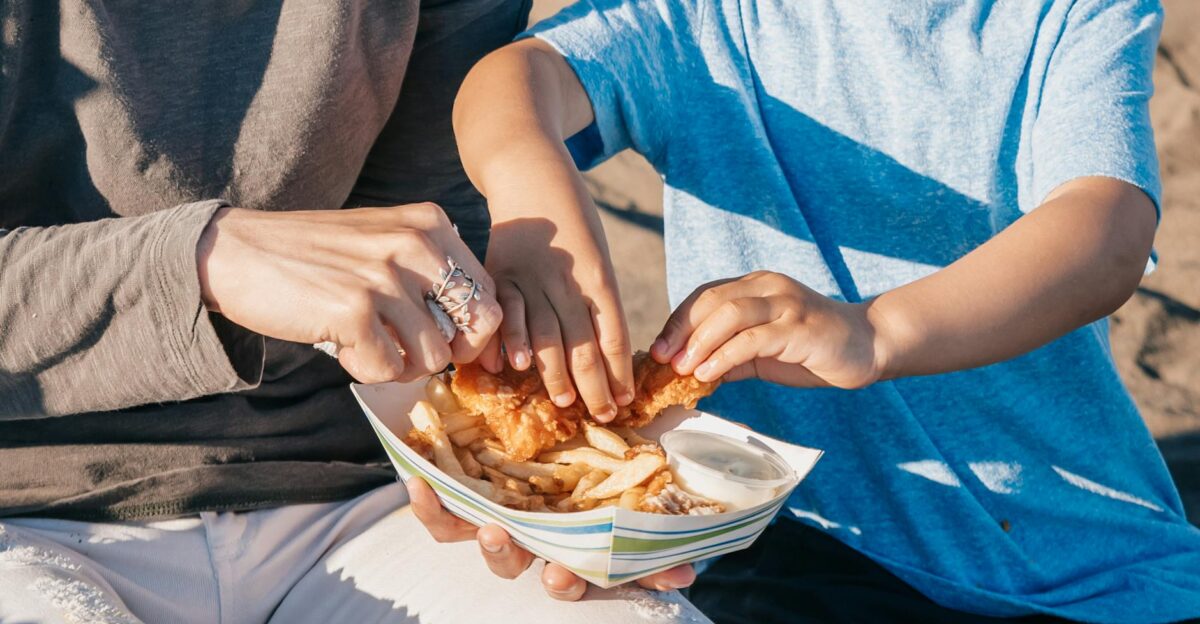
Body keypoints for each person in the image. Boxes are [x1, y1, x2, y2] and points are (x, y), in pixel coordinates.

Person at [438, 0, 1200, 621]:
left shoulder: (1071, 13)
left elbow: (1107, 230)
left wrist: (875, 331)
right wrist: (531, 190)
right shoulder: (702, 20)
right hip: (790, 545)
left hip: (1079, 556)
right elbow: (517, 77)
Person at [0, 1, 706, 621]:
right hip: (30, 515)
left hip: (356, 496)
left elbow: (428, 251)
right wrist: (207, 261)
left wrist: (488, 482)